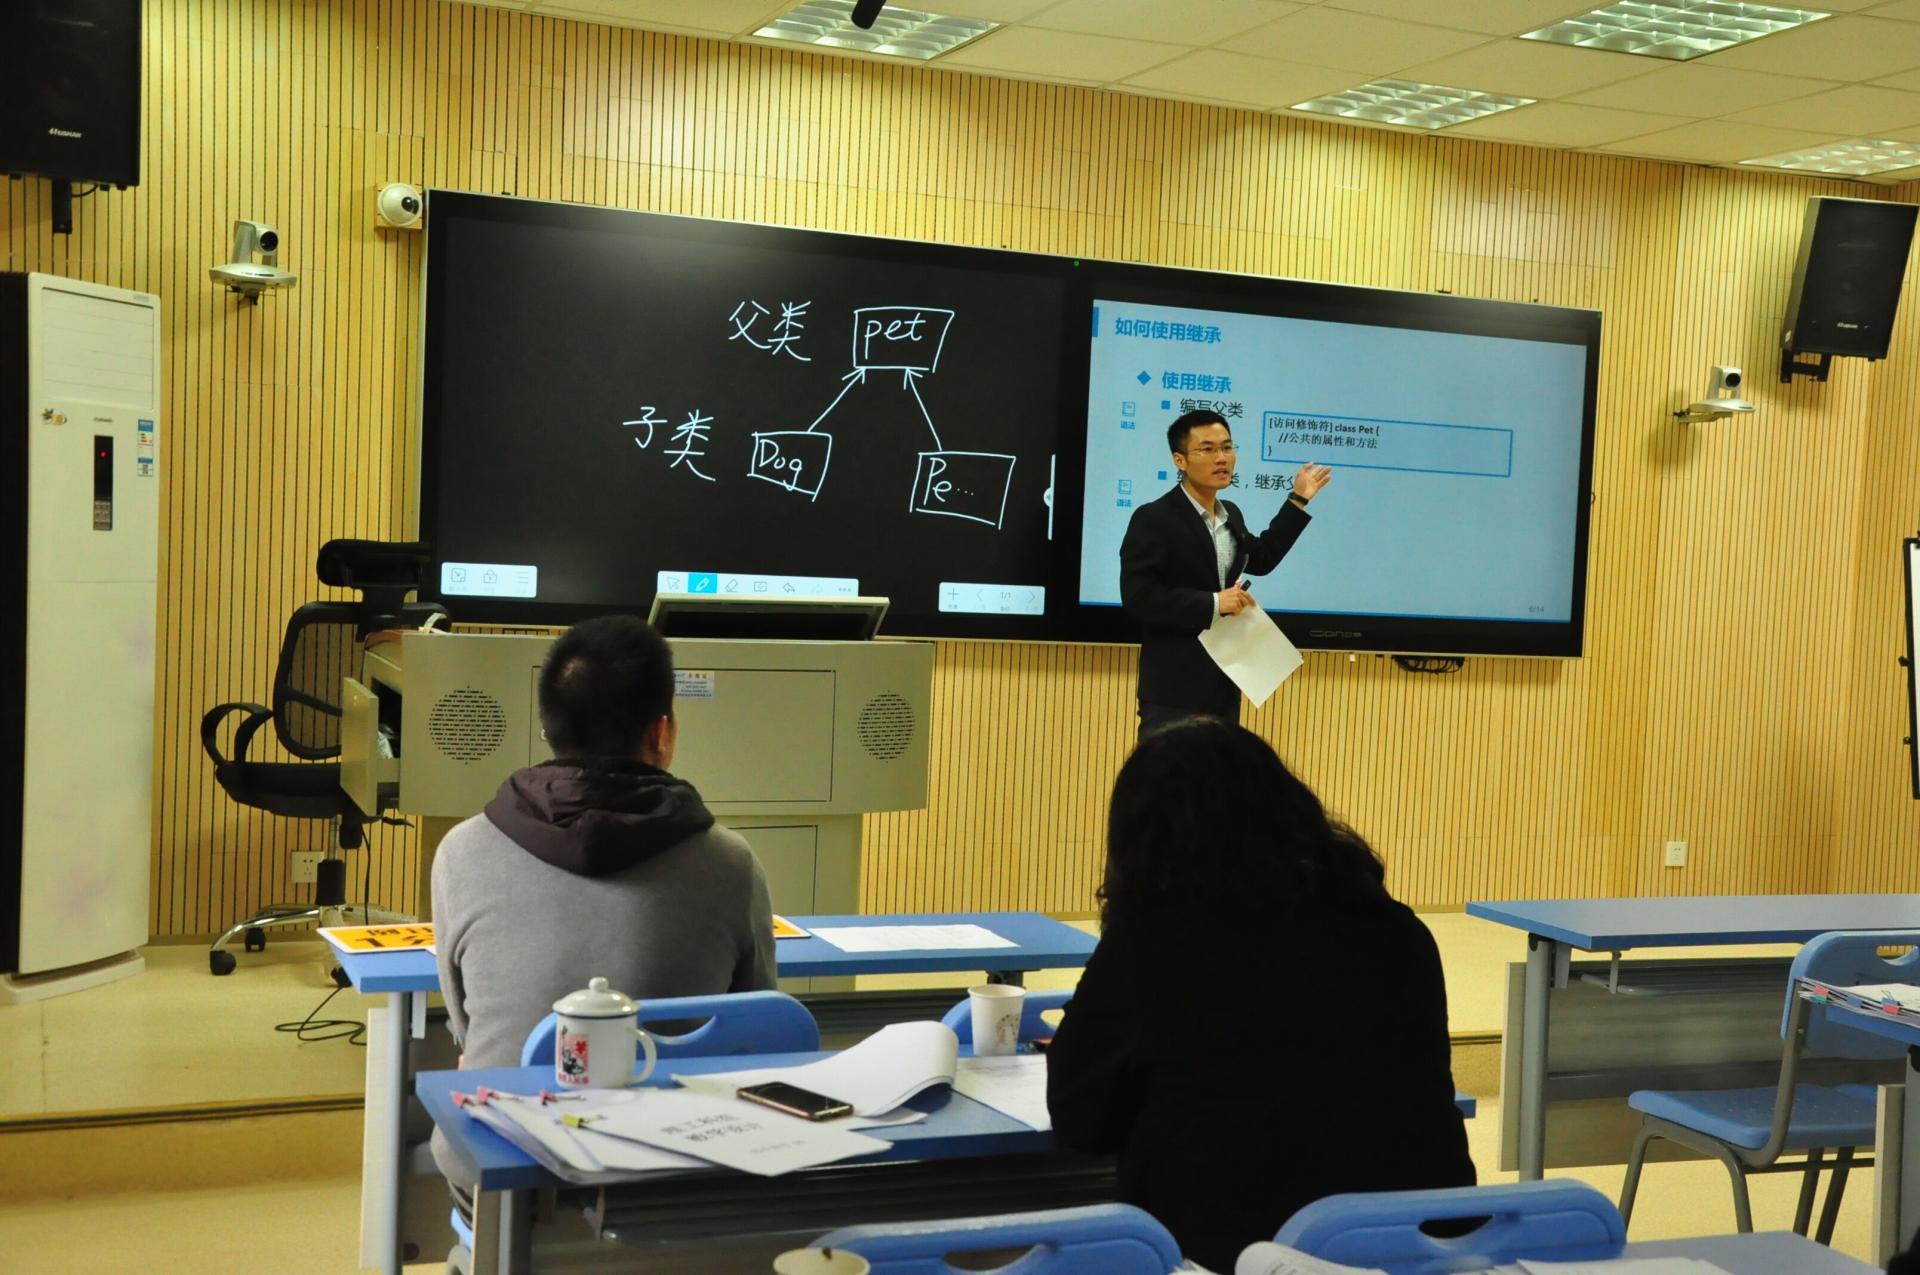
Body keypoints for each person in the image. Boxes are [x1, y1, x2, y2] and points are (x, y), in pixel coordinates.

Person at [1044, 719, 1474, 1271]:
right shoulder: (1397, 930)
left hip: (1232, 1256)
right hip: (1422, 1251)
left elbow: (1080, 1122)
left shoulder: (1153, 944)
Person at [431, 613, 777, 1076]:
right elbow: (756, 1031)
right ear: (660, 733)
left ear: (550, 730)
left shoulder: (460, 853)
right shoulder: (731, 863)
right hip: (673, 1121)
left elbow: (466, 1024)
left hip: (504, 1115)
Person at [1120, 408, 1331, 735]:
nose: (1221, 458)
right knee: (1169, 769)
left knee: (1221, 768)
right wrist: (1216, 603)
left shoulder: (1230, 513)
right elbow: (1139, 597)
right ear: (1180, 460)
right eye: (1207, 449)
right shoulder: (1154, 518)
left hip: (1225, 681)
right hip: (1173, 688)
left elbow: (1261, 559)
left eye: (1227, 447)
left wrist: (1297, 500)